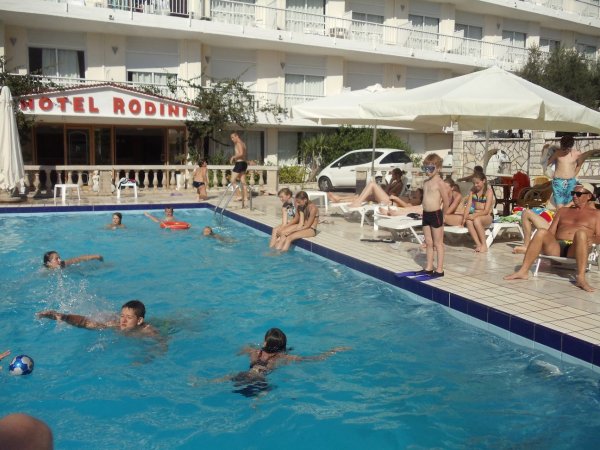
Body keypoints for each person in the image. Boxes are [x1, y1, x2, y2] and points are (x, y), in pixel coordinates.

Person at [504, 183, 600, 292]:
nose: (574, 196)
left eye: (578, 194)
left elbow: (599, 236)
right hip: (557, 246)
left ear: (589, 196)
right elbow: (551, 232)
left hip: (576, 247)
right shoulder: (563, 211)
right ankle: (523, 271)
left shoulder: (596, 214)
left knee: (581, 233)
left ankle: (581, 278)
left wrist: (593, 239)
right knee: (541, 232)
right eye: (573, 193)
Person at [217, 328, 349, 397]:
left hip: (245, 374)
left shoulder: (253, 352)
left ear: (265, 343)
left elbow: (238, 351)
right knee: (262, 394)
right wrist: (332, 351)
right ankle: (256, 402)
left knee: (227, 378)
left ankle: (210, 381)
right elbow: (313, 359)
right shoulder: (283, 358)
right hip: (260, 381)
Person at [37, 300, 159, 337]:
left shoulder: (148, 331)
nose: (123, 320)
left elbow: (160, 346)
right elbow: (86, 323)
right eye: (122, 316)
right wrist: (62, 316)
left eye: (129, 317)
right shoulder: (117, 324)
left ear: (139, 320)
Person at [413, 154, 450, 277]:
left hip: (436, 214)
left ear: (438, 168)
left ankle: (439, 270)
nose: (427, 171)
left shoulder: (440, 183)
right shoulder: (425, 182)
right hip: (426, 214)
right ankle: (429, 267)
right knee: (428, 242)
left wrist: (443, 215)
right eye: (425, 168)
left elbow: (446, 201)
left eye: (430, 168)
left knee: (438, 243)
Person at [547, 134, 596, 208]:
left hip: (571, 182)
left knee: (569, 204)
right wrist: (550, 173)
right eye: (563, 148)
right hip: (558, 181)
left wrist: (573, 175)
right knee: (559, 205)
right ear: (561, 145)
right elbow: (547, 163)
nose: (565, 150)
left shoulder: (577, 154)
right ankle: (560, 214)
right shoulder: (557, 153)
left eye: (567, 148)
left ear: (571, 146)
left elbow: (579, 165)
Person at [326, 168, 405, 207]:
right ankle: (339, 198)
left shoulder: (399, 184)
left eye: (393, 175)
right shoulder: (396, 183)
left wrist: (390, 182)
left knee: (372, 184)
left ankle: (356, 203)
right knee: (360, 196)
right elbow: (387, 191)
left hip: (389, 202)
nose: (392, 176)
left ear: (397, 175)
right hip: (385, 198)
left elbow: (388, 192)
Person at [462, 172, 494, 252]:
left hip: (487, 216)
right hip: (476, 215)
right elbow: (469, 206)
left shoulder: (488, 192)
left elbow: (486, 211)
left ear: (484, 181)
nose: (475, 185)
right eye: (474, 183)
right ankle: (478, 244)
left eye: (477, 183)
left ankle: (484, 245)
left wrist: (474, 215)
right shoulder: (473, 191)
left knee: (476, 220)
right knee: (468, 221)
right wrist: (464, 218)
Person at [230, 132, 248, 206]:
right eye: (231, 138)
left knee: (232, 180)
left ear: (237, 136)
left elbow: (241, 153)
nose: (232, 139)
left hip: (239, 163)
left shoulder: (238, 143)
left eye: (232, 137)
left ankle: (239, 195)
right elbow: (244, 154)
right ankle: (246, 197)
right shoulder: (243, 144)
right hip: (243, 163)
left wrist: (233, 157)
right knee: (243, 181)